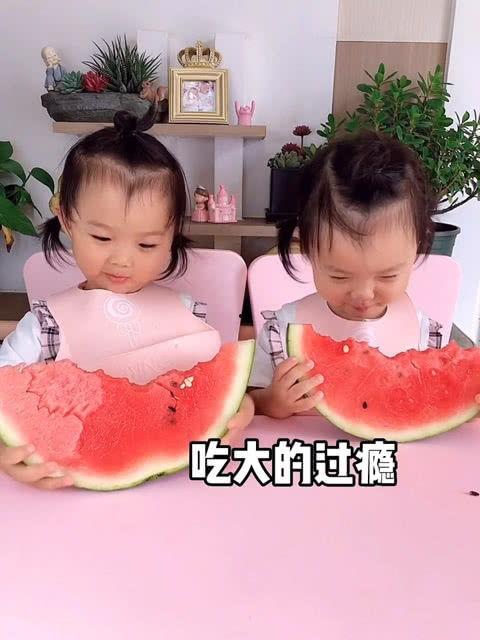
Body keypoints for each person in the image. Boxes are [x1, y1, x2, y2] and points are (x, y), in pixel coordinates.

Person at [0, 103, 253, 488]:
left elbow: (213, 383)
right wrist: (6, 454)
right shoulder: (45, 327)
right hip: (70, 492)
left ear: (172, 236)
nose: (122, 260)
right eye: (102, 238)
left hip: (182, 492)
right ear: (67, 220)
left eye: (147, 244)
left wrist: (241, 407)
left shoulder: (186, 312)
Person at [249, 130, 480, 418]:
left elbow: (442, 403)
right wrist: (271, 402)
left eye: (388, 276)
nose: (363, 295)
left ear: (417, 248)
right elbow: (250, 403)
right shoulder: (280, 331)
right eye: (339, 276)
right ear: (307, 248)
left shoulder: (425, 334)